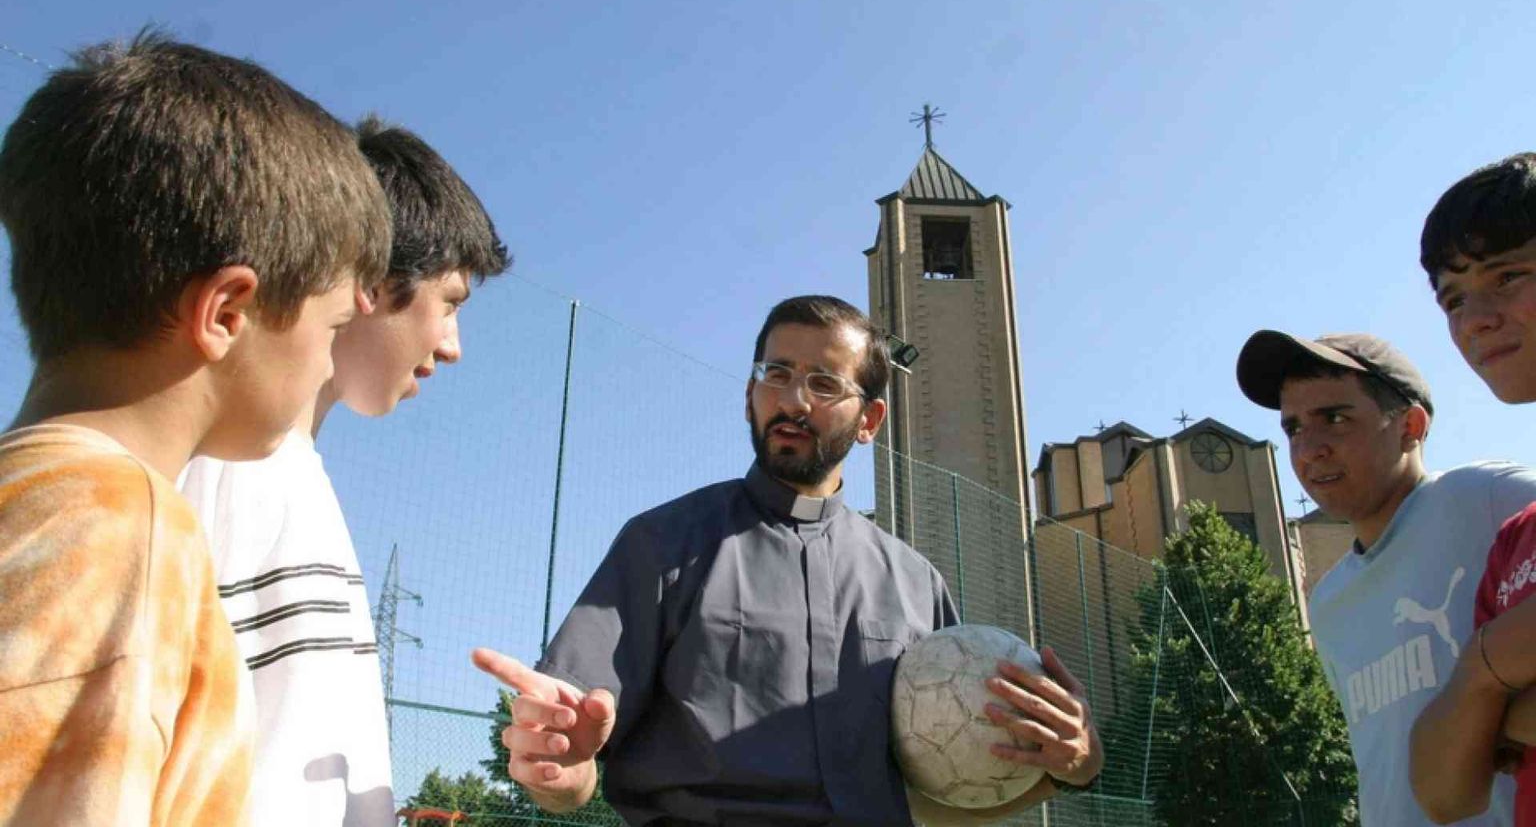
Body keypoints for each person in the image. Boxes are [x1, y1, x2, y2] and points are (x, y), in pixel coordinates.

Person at [474, 295, 1104, 826]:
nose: (794, 398)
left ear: (870, 419)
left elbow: (940, 796)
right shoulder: (660, 545)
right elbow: (570, 758)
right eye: (776, 374)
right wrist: (559, 765)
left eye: (825, 383)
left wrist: (1075, 767)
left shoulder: (916, 583)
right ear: (751, 393)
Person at [0, 32, 391, 825]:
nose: (328, 363)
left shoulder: (43, 505)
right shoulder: (124, 531)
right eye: (332, 325)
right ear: (227, 312)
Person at [178, 116, 510, 826]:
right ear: (377, 282)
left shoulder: (289, 477)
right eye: (449, 303)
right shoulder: (226, 476)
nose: (452, 345)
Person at [1236, 329, 1536, 826]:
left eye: (1334, 418)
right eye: (1293, 429)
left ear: (1410, 426)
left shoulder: (1486, 498)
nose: (1309, 449)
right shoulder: (1329, 602)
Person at [1412, 152, 1536, 825]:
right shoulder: (1517, 539)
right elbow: (1443, 791)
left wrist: (1492, 709)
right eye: (1453, 298)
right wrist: (1491, 669)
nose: (1474, 319)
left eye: (1508, 275)